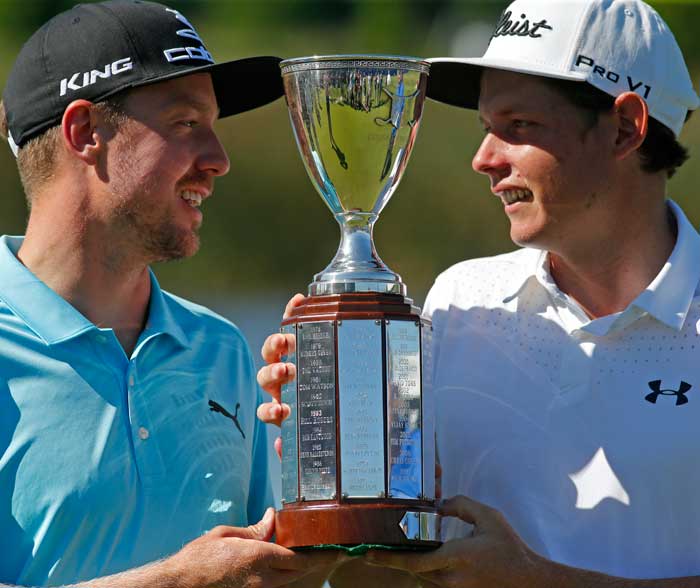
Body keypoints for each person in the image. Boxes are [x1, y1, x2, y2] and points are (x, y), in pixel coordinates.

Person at [257, 0, 700, 585]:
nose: (483, 159)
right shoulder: (459, 302)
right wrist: (339, 480)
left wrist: (536, 581)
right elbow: (386, 581)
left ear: (624, 128)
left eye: (518, 128)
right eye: (486, 129)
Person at [0, 2, 342, 587]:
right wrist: (181, 582)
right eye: (186, 123)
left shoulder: (223, 348)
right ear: (85, 133)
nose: (219, 160)